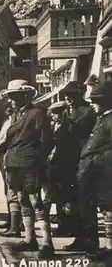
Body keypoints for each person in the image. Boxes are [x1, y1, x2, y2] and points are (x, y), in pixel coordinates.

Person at [2, 79, 54, 259]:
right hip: (15, 164)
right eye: (10, 97)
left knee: (35, 199)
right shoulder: (16, 115)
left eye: (14, 96)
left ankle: (47, 243)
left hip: (30, 163)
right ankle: (30, 238)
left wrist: (38, 160)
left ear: (25, 95)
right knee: (22, 198)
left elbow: (46, 140)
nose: (11, 100)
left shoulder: (37, 113)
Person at [65, 81, 112, 261]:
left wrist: (96, 161)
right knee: (93, 209)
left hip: (102, 172)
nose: (92, 104)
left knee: (108, 211)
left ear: (105, 101)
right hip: (90, 172)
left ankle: (108, 249)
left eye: (96, 101)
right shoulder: (102, 118)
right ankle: (101, 247)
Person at [60, 83, 96, 240]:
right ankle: (79, 237)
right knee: (73, 201)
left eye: (71, 95)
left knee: (85, 202)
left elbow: (74, 132)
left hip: (81, 159)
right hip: (69, 161)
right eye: (66, 95)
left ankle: (89, 239)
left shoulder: (87, 112)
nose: (67, 98)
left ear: (80, 95)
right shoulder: (68, 112)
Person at [46, 101, 74, 236]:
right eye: (53, 114)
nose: (53, 116)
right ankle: (62, 225)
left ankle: (66, 226)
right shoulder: (54, 126)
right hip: (54, 167)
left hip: (64, 166)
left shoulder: (68, 126)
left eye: (56, 113)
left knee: (64, 198)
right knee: (57, 197)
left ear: (63, 112)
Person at [0, 101, 22, 237]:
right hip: (3, 156)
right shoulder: (8, 120)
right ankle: (11, 219)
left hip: (10, 155)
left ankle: (16, 223)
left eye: (10, 107)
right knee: (8, 189)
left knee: (13, 190)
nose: (8, 109)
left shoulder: (17, 120)